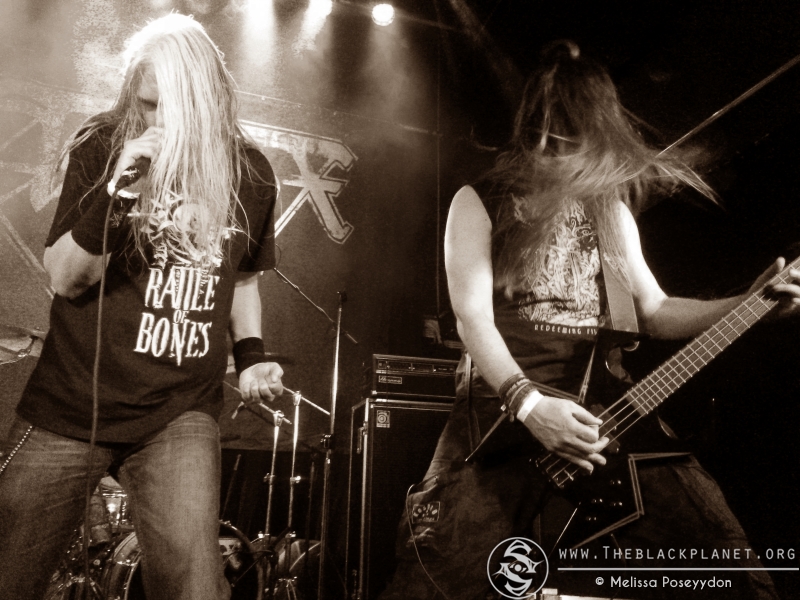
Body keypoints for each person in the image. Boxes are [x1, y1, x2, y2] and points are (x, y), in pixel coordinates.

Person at [380, 41, 800, 600]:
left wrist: (746, 306)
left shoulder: (611, 211)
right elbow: (472, 318)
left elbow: (653, 309)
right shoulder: (479, 200)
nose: (563, 143)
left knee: (733, 569)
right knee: (430, 581)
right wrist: (531, 406)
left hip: (608, 413)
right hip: (499, 418)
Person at [0, 14, 283, 600]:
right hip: (74, 402)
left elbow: (243, 279)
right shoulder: (104, 145)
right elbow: (65, 278)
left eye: (171, 107)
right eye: (147, 104)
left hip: (180, 410)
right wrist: (122, 190)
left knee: (195, 586)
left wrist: (253, 355)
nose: (157, 121)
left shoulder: (250, 172)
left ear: (208, 98)